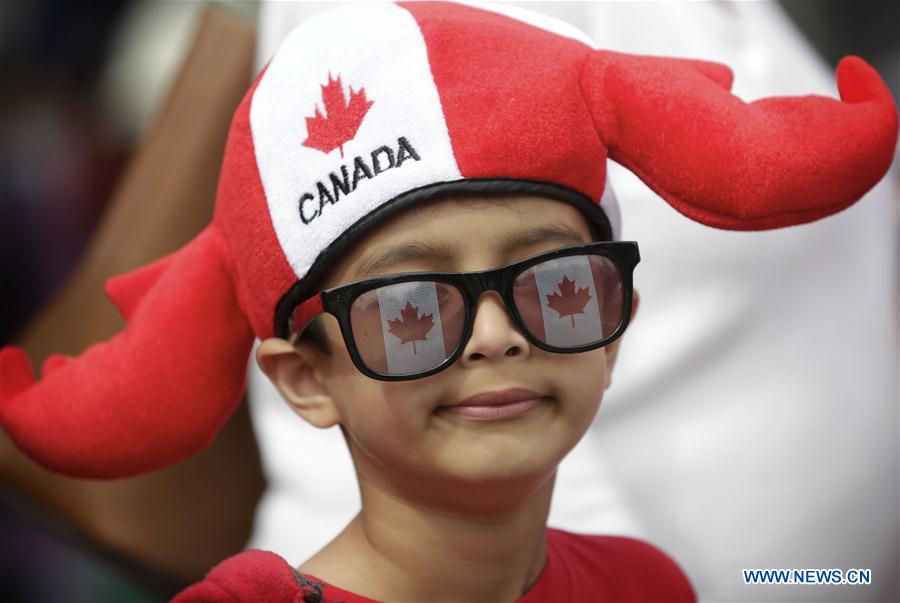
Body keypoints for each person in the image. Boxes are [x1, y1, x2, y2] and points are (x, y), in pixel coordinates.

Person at [0, 2, 894, 601]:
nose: (499, 335)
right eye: (411, 310)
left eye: (557, 287)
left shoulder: (645, 580)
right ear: (304, 377)